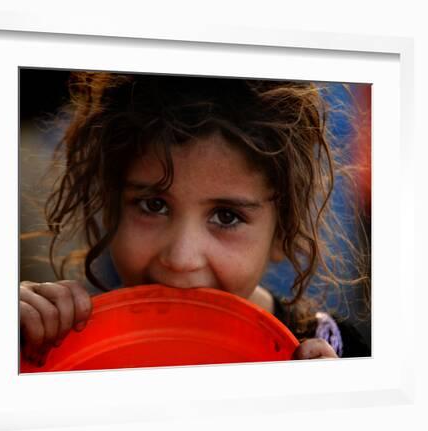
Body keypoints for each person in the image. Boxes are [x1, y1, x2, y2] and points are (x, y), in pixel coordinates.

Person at [19, 72, 371, 367]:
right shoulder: (64, 344)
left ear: (282, 231)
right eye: (153, 205)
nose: (181, 259)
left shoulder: (335, 358)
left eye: (226, 216)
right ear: (110, 206)